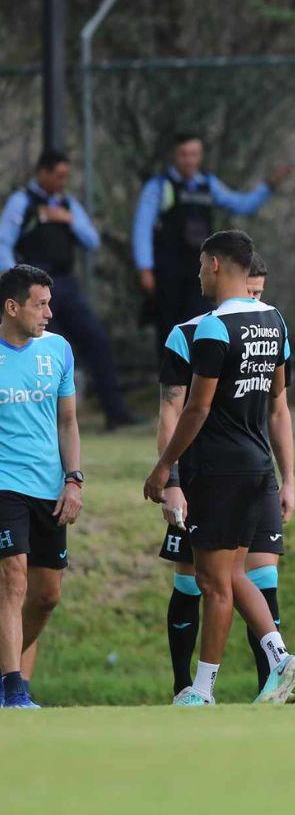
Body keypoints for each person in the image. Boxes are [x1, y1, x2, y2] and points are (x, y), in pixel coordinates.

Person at [142, 230, 295, 706]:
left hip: (217, 470)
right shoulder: (275, 321)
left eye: (199, 264)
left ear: (215, 263)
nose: (197, 273)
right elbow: (277, 400)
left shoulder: (213, 328)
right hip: (257, 466)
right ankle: (276, 656)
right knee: (232, 573)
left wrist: (164, 467)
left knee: (214, 582)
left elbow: (195, 409)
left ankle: (204, 689)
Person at [1, 149, 138, 429]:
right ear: (42, 173)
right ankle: (43, 420)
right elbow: (3, 242)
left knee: (95, 340)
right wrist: (16, 281)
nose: (63, 181)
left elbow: (92, 240)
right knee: (43, 350)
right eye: (58, 175)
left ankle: (115, 412)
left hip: (65, 284)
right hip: (33, 287)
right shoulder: (22, 202)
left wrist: (67, 219)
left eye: (66, 176)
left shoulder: (68, 204)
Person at [0, 265, 82, 708]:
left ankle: (2, 672)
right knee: (12, 580)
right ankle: (14, 689)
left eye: (50, 303)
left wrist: (73, 480)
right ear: (12, 307)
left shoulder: (59, 350)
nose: (49, 312)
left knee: (47, 595)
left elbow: (68, 422)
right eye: (40, 304)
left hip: (49, 487)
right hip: (3, 485)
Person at [132, 133, 289, 352]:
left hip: (200, 272)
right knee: (169, 335)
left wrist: (269, 186)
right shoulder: (160, 186)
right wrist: (145, 269)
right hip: (168, 272)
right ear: (175, 156)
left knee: (199, 331)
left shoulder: (208, 185)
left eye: (194, 154)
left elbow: (242, 205)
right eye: (184, 154)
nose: (189, 160)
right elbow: (142, 227)